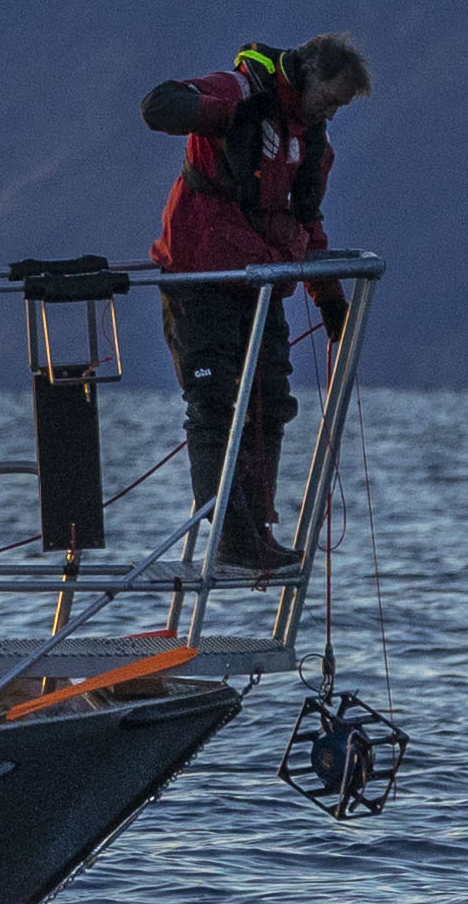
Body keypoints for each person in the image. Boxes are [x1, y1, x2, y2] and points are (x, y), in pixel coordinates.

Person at [138, 34, 373, 573]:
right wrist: (225, 114)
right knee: (216, 408)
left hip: (261, 288)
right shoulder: (241, 88)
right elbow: (158, 105)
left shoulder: (311, 142)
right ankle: (229, 535)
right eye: (330, 99)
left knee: (270, 402)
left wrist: (329, 300)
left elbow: (308, 223)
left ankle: (256, 533)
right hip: (201, 280)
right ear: (310, 73)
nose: (331, 112)